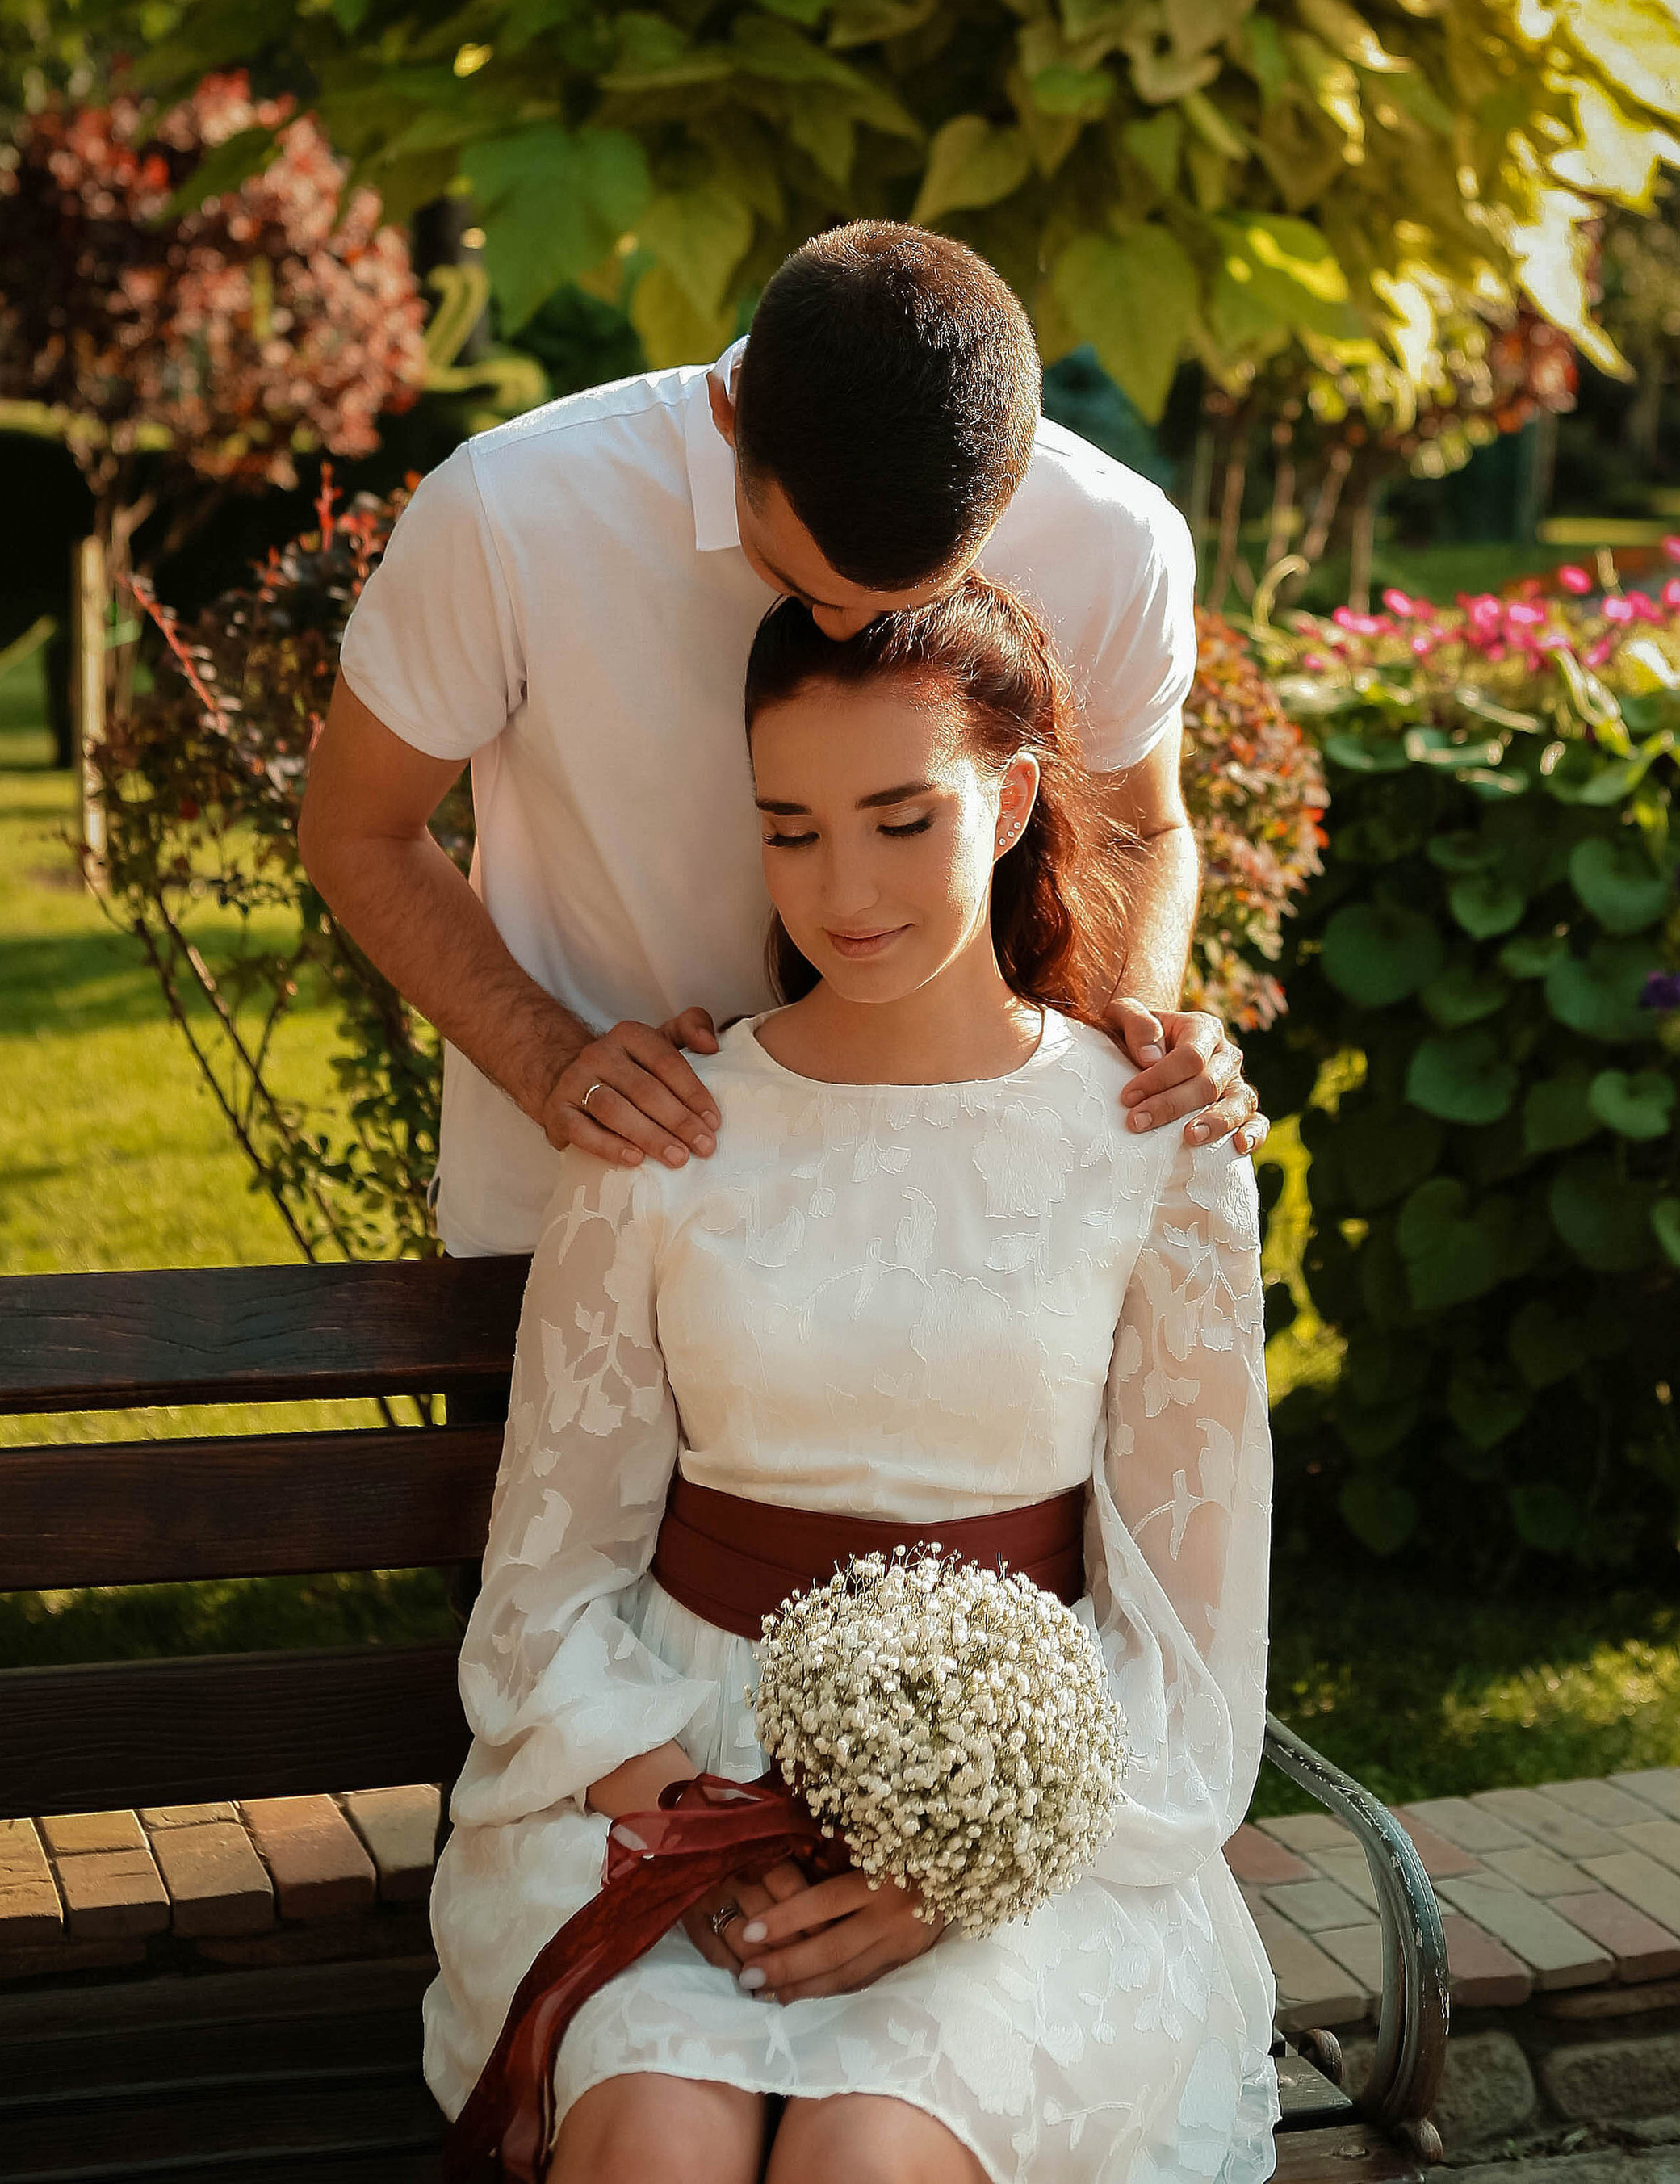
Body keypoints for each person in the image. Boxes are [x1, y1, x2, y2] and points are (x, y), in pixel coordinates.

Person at [424, 579, 1276, 2183]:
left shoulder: (1150, 1149)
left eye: (900, 819)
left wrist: (962, 1853)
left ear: (1013, 800)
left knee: (867, 2158)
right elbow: (547, 1574)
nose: (844, 887)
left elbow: (1187, 1630)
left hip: (1030, 1818)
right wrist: (696, 1806)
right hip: (667, 1766)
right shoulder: (666, 1136)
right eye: (792, 828)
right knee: (658, 2149)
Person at [300, 223, 1262, 1256]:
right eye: (799, 583)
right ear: (727, 415)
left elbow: (1140, 829)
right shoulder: (510, 511)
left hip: (980, 1235)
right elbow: (359, 829)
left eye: (908, 600)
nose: (840, 632)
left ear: (1015, 472)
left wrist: (1126, 1055)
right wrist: (547, 1061)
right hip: (584, 1217)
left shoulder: (1117, 537)